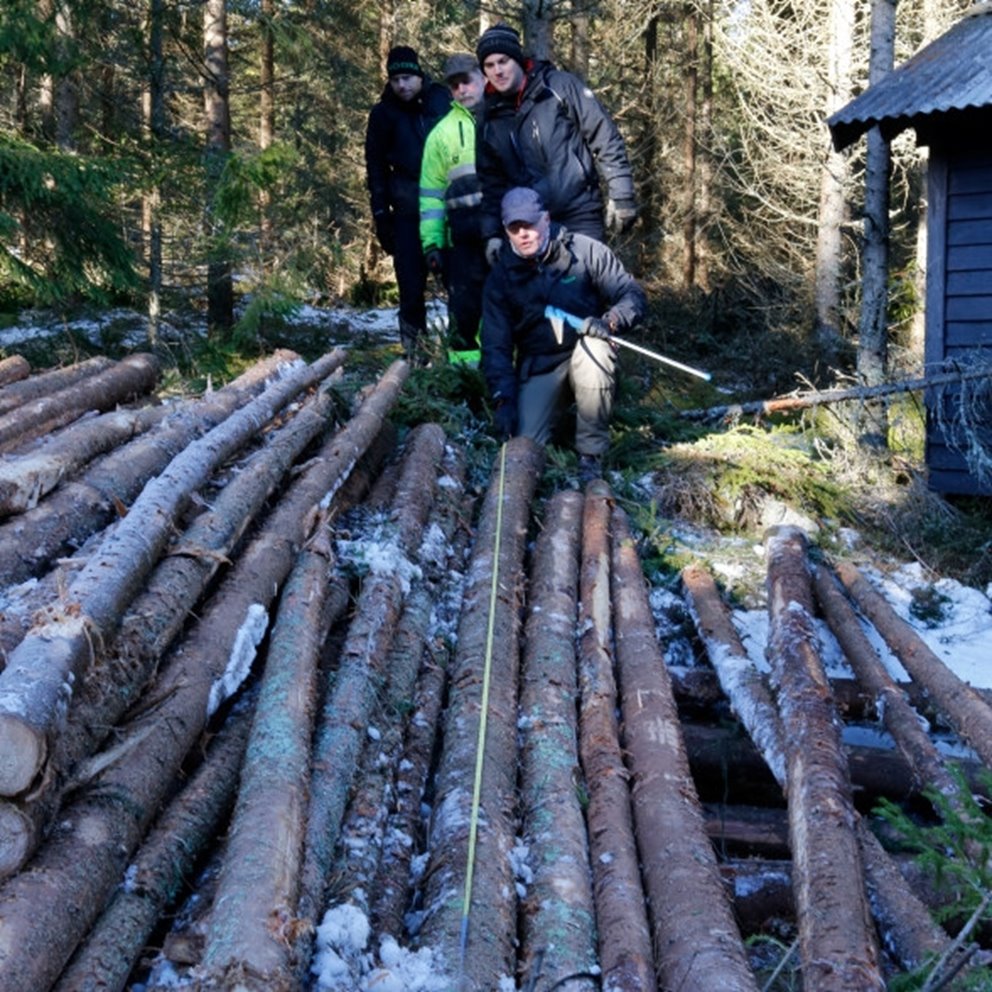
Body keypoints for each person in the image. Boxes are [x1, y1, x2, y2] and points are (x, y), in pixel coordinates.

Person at [481, 187, 646, 482]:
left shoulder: (584, 251)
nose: (524, 233)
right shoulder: (500, 278)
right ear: (506, 231)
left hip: (586, 351)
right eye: (514, 227)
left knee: (596, 351)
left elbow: (631, 294)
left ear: (545, 219)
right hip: (541, 364)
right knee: (526, 442)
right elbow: (496, 347)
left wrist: (611, 321)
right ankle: (560, 418)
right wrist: (503, 397)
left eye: (529, 224)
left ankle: (590, 456)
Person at [475, 22, 637, 266]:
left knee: (586, 293)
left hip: (579, 212)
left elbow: (604, 136)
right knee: (539, 302)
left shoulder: (559, 87)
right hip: (527, 226)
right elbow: (491, 183)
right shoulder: (489, 118)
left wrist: (622, 194)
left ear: (517, 60)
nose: (498, 71)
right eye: (489, 65)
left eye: (503, 61)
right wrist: (492, 235)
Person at [365, 46, 451, 358]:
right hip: (406, 211)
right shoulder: (383, 114)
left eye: (407, 77)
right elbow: (374, 166)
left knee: (458, 286)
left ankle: (461, 359)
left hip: (448, 210)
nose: (401, 85)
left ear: (419, 75)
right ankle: (417, 358)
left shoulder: (441, 100)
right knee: (411, 291)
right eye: (395, 79)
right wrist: (380, 213)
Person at [418, 53, 488, 364]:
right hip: (461, 242)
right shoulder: (441, 134)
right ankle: (464, 381)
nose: (462, 89)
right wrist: (432, 243)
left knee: (506, 308)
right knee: (465, 314)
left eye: (467, 81)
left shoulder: (506, 119)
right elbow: (431, 195)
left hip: (508, 234)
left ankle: (505, 382)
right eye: (455, 85)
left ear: (483, 78)